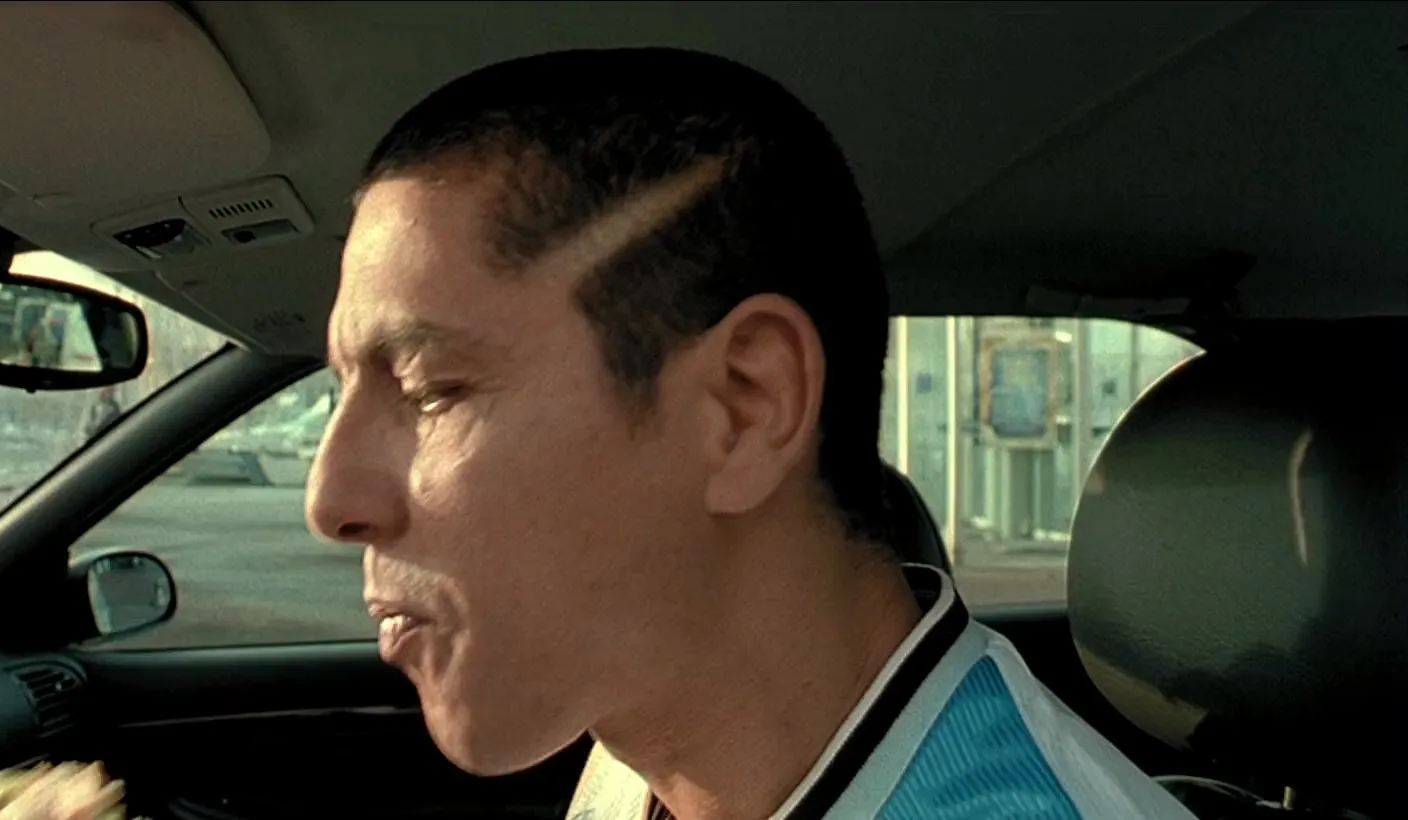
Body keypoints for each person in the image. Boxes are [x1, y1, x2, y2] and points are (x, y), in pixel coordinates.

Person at [301, 48, 1195, 820]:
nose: (330, 498)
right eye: (343, 391)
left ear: (745, 406)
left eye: (430, 389)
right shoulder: (649, 741)